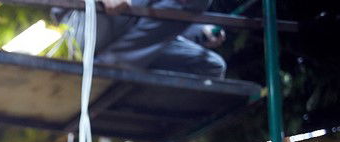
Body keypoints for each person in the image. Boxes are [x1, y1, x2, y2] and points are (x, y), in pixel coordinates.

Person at [52, 0, 226, 78]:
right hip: (89, 22)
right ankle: (112, 62)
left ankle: (115, 64)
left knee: (212, 66)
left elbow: (159, 12)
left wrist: (197, 31)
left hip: (133, 36)